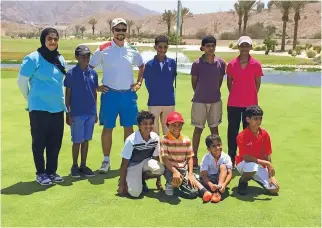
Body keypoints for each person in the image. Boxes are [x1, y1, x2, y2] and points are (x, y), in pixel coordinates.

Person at [89, 18, 144, 173]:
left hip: (128, 95)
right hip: (110, 95)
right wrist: (96, 86)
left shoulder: (132, 48)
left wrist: (139, 82)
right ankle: (106, 161)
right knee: (108, 128)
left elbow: (141, 65)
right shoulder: (103, 49)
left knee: (128, 128)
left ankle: (128, 160)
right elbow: (89, 68)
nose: (120, 32)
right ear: (112, 31)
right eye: (117, 29)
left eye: (123, 29)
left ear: (126, 31)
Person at [17, 28, 66, 185]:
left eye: (55, 39)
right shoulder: (33, 58)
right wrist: (30, 98)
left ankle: (52, 172)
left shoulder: (60, 59)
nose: (53, 42)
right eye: (49, 39)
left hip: (57, 108)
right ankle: (41, 173)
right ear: (43, 40)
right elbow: (22, 81)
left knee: (55, 142)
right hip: (39, 108)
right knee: (39, 142)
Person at [226, 36, 263, 167]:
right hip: (234, 103)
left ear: (250, 47)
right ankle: (231, 157)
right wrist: (236, 93)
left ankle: (246, 157)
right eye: (242, 45)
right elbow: (229, 82)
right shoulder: (231, 64)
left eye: (247, 45)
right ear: (239, 47)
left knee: (248, 131)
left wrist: (250, 95)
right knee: (233, 130)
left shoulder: (256, 64)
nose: (244, 48)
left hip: (250, 105)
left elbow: (257, 83)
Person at [190, 35, 226, 169]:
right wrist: (201, 93)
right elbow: (194, 82)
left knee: (214, 130)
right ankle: (194, 157)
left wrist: (212, 92)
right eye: (208, 46)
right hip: (199, 101)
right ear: (203, 48)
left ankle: (216, 156)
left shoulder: (221, 63)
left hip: (215, 101)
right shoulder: (197, 64)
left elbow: (220, 81)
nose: (210, 48)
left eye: (213, 45)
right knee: (198, 129)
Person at [64, 45, 98, 178]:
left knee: (86, 140)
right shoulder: (71, 73)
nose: (85, 58)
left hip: (90, 112)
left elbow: (94, 93)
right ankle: (74, 166)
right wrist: (68, 113)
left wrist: (95, 112)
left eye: (88, 56)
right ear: (77, 57)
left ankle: (83, 165)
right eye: (83, 56)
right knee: (77, 141)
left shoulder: (93, 73)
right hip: (77, 113)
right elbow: (68, 95)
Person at [161, 111, 207, 199]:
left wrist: (190, 174)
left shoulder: (186, 140)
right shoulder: (164, 140)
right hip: (171, 170)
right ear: (167, 126)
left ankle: (186, 182)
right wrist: (175, 172)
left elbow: (189, 158)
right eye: (173, 125)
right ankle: (171, 184)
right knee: (192, 194)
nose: (177, 128)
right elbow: (165, 159)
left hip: (184, 169)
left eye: (179, 125)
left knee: (194, 191)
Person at [118, 111, 165, 198]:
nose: (148, 126)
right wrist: (122, 185)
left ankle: (140, 179)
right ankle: (126, 179)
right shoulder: (131, 140)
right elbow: (124, 164)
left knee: (160, 169)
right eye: (145, 124)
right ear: (139, 125)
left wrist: (158, 181)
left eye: (151, 123)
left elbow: (156, 158)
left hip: (146, 162)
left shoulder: (155, 137)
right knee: (135, 194)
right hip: (132, 166)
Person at [236, 106, 280, 195]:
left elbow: (267, 154)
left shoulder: (265, 134)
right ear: (248, 119)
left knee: (275, 189)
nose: (259, 121)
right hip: (243, 163)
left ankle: (253, 176)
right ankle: (243, 181)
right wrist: (268, 164)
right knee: (252, 167)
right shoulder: (241, 136)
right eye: (256, 118)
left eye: (260, 118)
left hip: (260, 165)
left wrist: (270, 176)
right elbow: (247, 158)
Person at [143, 35, 177, 136]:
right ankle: (156, 152)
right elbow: (147, 83)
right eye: (160, 47)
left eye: (165, 47)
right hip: (154, 102)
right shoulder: (149, 64)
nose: (162, 50)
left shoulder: (172, 63)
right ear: (155, 47)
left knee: (168, 131)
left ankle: (167, 152)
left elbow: (172, 79)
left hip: (169, 101)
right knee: (154, 133)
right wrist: (155, 92)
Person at [199, 134, 233, 203]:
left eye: (219, 144)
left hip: (220, 179)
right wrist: (210, 184)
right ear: (209, 149)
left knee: (223, 166)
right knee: (198, 179)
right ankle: (209, 191)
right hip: (209, 179)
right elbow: (204, 176)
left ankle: (218, 191)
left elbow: (229, 174)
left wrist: (224, 184)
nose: (217, 147)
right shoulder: (205, 158)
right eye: (213, 146)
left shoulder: (226, 157)